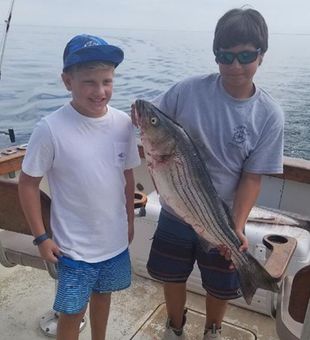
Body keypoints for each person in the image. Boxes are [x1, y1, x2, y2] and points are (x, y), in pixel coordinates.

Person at [133, 8, 284, 340]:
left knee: (219, 285)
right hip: (175, 211)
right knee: (171, 276)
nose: (235, 65)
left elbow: (252, 176)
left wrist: (237, 227)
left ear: (262, 56)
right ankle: (175, 326)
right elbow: (145, 117)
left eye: (246, 56)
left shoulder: (269, 115)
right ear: (215, 55)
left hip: (222, 218)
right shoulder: (187, 90)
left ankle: (212, 330)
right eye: (224, 56)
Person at [18, 34, 141, 340]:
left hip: (113, 243)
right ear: (67, 81)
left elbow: (126, 177)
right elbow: (27, 184)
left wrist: (128, 221)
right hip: (71, 249)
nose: (100, 91)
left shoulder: (124, 123)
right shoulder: (50, 129)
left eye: (107, 81)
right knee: (71, 312)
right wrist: (41, 237)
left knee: (104, 296)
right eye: (89, 82)